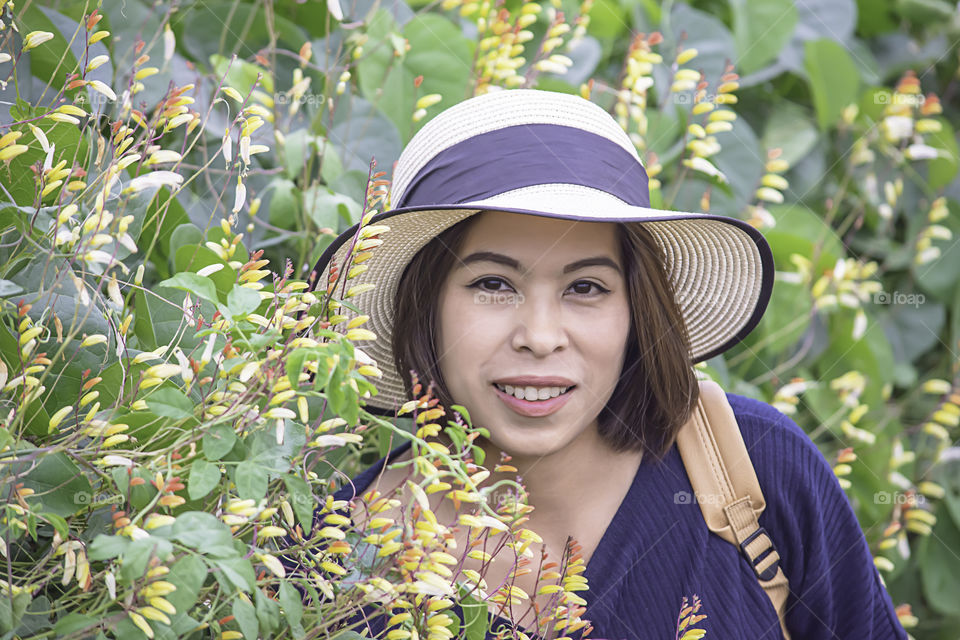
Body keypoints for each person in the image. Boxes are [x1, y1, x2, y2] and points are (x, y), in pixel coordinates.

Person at [306, 89, 907, 640]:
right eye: (492, 283)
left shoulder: (752, 468)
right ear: (425, 307)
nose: (540, 338)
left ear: (634, 312)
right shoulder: (329, 563)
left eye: (586, 288)